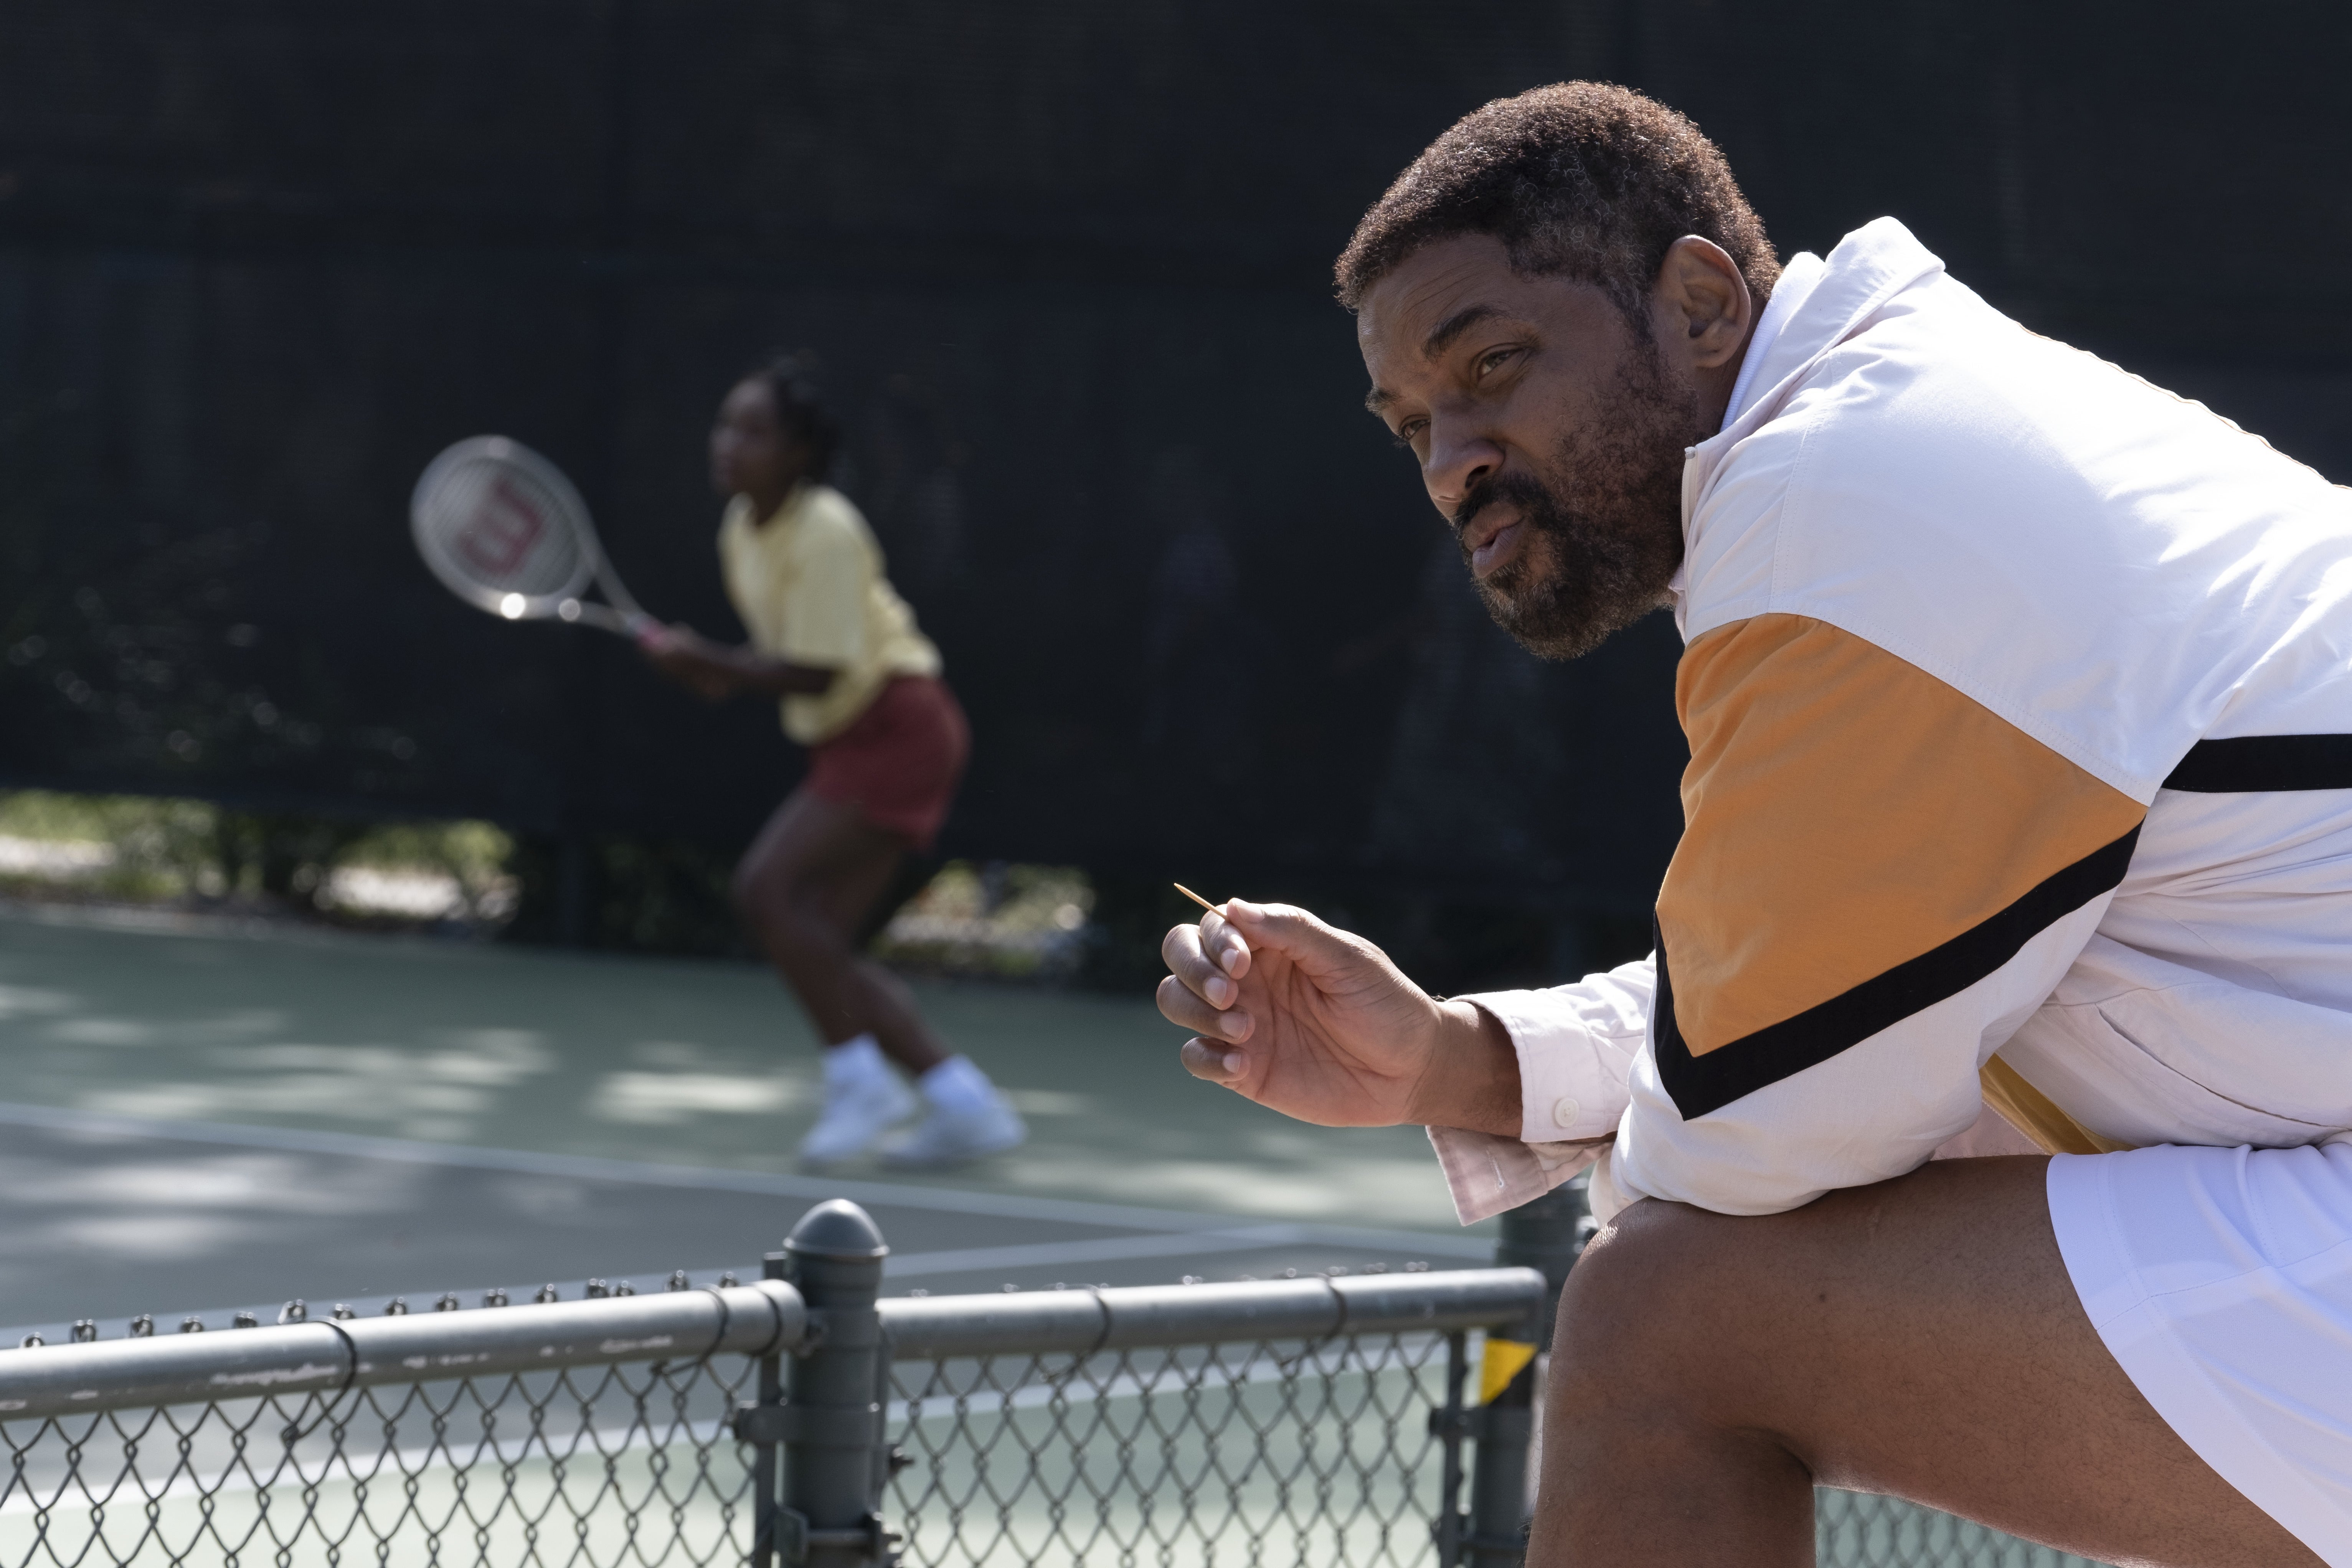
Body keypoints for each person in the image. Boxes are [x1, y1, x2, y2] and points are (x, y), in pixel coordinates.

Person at [1158, 83, 2352, 1567]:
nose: (1450, 458)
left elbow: (1756, 1134)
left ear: (1704, 302)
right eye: (1414, 423)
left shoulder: (1843, 508)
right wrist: (1468, 1059)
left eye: (1496, 365)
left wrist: (1645, 1119)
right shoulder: (1905, 431)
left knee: (1668, 1321)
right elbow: (1829, 998)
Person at [639, 360, 1026, 1170]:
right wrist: (710, 671)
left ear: (798, 452)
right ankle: (963, 1101)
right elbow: (778, 659)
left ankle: (858, 1080)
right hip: (854, 732)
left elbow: (817, 669)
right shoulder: (742, 531)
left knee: (764, 890)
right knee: (817, 939)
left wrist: (710, 659)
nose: (727, 445)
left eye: (752, 431)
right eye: (723, 425)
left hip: (900, 724)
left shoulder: (825, 529)